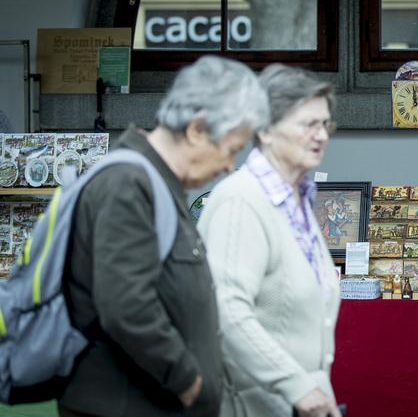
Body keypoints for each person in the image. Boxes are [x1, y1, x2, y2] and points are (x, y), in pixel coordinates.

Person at [58, 56, 269, 417]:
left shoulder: (153, 184)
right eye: (232, 149)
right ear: (197, 130)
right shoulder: (128, 185)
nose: (231, 166)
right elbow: (127, 307)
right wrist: (188, 381)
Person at [198, 63, 342, 417]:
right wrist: (296, 385)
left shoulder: (299, 201)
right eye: (308, 124)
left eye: (324, 124)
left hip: (294, 405)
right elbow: (226, 310)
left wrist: (315, 387)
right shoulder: (241, 200)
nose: (321, 135)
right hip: (248, 406)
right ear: (265, 130)